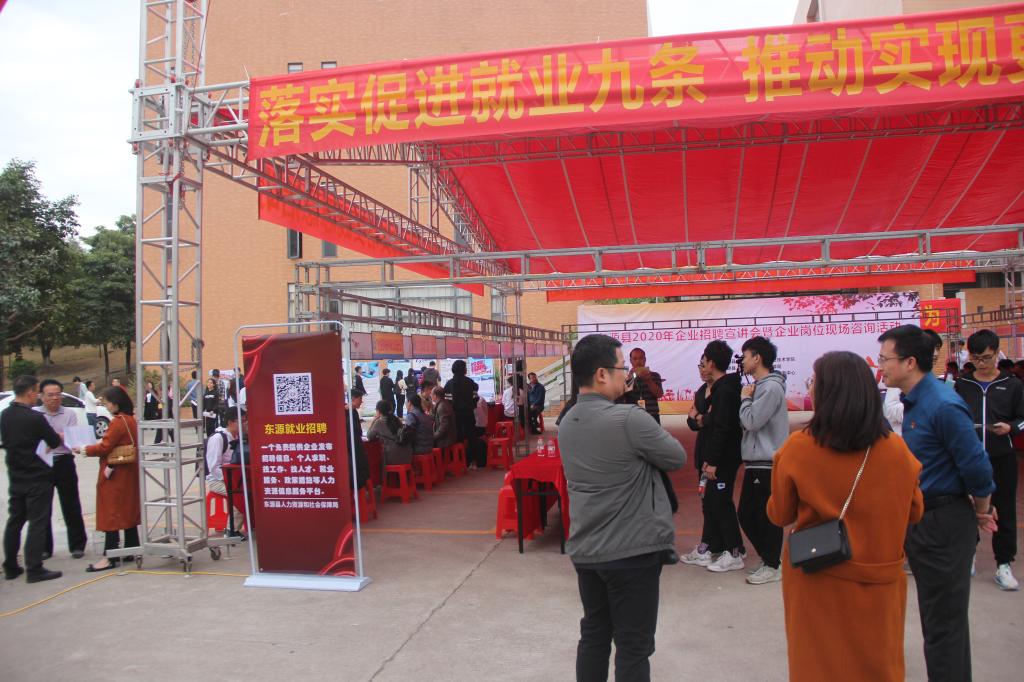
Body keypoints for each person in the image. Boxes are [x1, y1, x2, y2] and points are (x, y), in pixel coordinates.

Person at [767, 351, 925, 682]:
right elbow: (915, 511)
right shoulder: (897, 451)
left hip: (817, 579)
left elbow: (779, 514)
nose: (810, 387)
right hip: (879, 583)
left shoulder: (798, 449)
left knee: (817, 667)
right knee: (877, 667)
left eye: (814, 382)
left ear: (826, 393)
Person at [559, 334, 687, 681]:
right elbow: (676, 457)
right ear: (601, 374)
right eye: (621, 367)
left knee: (594, 635)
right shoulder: (630, 419)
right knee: (633, 647)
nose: (626, 374)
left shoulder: (567, 422)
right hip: (632, 552)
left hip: (587, 550)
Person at [877, 324, 996, 681]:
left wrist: (982, 511)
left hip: (944, 523)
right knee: (939, 622)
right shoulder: (916, 401)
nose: (881, 366)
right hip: (924, 520)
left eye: (885, 359)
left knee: (944, 626)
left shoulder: (942, 405)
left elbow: (977, 466)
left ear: (910, 362)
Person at [954, 329, 1022, 591]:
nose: (981, 363)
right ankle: (968, 554)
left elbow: (1023, 419)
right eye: (976, 358)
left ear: (996, 353)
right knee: (967, 506)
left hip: (1001, 457)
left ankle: (1003, 564)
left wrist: (1011, 428)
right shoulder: (963, 384)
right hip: (969, 457)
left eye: (986, 358)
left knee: (1004, 509)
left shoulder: (1012, 384)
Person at [682, 341, 744, 570]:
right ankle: (710, 546)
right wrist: (702, 418)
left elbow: (723, 426)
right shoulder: (704, 391)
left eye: (703, 362)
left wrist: (713, 461)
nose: (701, 367)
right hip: (706, 456)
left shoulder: (726, 390)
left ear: (712, 363)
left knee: (720, 502)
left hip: (721, 459)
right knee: (709, 503)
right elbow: (692, 420)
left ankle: (735, 551)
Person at [736, 336, 789, 584]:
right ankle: (769, 559)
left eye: (745, 356)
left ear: (757, 358)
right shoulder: (761, 386)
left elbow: (752, 421)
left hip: (766, 462)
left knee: (764, 516)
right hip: (757, 462)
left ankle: (772, 563)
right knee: (749, 514)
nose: (742, 361)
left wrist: (745, 399)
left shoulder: (770, 388)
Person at [1, 375, 64, 583]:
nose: (37, 396)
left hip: (16, 474)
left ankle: (11, 566)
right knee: (37, 522)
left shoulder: (5, 415)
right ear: (29, 392)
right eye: (36, 392)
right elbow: (53, 441)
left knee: (15, 521)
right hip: (37, 475)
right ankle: (34, 568)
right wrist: (58, 437)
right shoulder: (35, 417)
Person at [78, 386, 142, 572]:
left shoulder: (118, 422)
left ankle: (110, 555)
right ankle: (131, 548)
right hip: (129, 472)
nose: (105, 406)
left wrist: (84, 449)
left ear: (116, 404)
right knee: (128, 510)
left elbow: (105, 447)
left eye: (107, 403)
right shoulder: (131, 420)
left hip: (116, 473)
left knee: (111, 512)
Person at [35, 379, 87, 561]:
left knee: (71, 504)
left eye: (58, 394)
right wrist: (61, 436)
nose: (55, 398)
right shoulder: (35, 414)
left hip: (64, 461)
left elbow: (73, 439)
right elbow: (35, 439)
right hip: (42, 462)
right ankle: (44, 548)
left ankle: (77, 545)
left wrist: (52, 436)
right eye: (50, 395)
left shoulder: (69, 413)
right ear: (41, 396)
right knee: (42, 507)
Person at [205, 411, 243, 532]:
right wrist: (231, 481)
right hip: (218, 480)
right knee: (240, 495)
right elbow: (213, 467)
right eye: (242, 422)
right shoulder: (218, 438)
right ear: (230, 422)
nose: (244, 425)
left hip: (235, 478)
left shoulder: (238, 436)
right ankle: (231, 530)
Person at [618, 347, 664, 423]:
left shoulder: (655, 375)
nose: (638, 361)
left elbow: (659, 394)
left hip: (652, 416)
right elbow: (621, 396)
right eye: (635, 359)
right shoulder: (625, 377)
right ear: (631, 361)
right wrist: (631, 378)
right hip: (632, 416)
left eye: (641, 358)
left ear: (645, 359)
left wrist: (648, 380)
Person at [367, 400, 413, 465]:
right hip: (407, 455)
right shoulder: (396, 420)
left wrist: (373, 421)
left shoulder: (379, 422)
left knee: (377, 460)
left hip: (394, 457)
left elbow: (369, 436)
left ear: (379, 411)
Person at [443, 360, 479, 443]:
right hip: (469, 414)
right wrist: (471, 404)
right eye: (465, 367)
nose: (466, 369)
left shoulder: (449, 384)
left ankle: (459, 451)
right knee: (471, 437)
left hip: (455, 416)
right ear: (463, 369)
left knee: (458, 438)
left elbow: (447, 402)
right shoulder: (471, 382)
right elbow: (475, 398)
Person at [346, 389, 370, 493]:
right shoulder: (350, 412)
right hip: (354, 447)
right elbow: (358, 431)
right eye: (360, 399)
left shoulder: (352, 411)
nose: (361, 401)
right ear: (353, 398)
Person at [432, 386, 457, 450]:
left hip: (446, 441)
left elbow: (444, 426)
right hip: (447, 438)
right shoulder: (444, 403)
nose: (431, 396)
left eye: (431, 394)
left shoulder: (442, 406)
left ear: (435, 395)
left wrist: (433, 437)